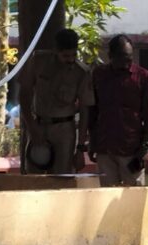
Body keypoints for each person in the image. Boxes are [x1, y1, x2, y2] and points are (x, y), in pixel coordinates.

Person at [89, 34, 148, 187]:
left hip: (131, 149)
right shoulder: (99, 75)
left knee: (134, 197)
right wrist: (92, 143)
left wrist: (142, 149)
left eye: (130, 58)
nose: (127, 62)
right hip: (105, 147)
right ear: (111, 56)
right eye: (123, 58)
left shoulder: (143, 77)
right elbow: (92, 111)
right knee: (106, 195)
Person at [20, 28, 93, 174]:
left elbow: (85, 110)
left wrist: (80, 148)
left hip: (64, 129)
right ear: (55, 51)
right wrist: (31, 127)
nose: (70, 59)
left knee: (62, 177)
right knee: (33, 177)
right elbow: (24, 94)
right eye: (65, 56)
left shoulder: (82, 72)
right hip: (38, 125)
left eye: (74, 55)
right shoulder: (38, 61)